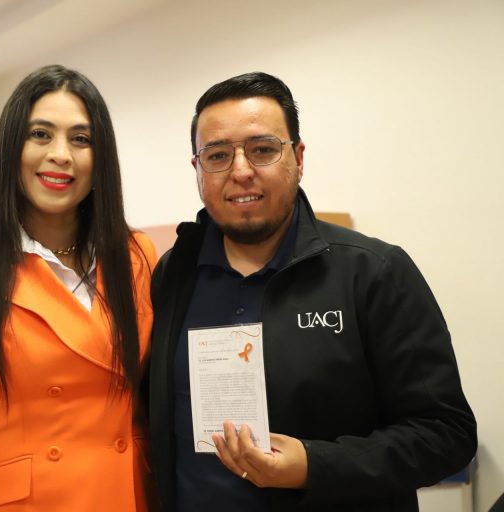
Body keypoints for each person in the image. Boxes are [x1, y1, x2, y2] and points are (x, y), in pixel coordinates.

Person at [147, 71, 476, 511]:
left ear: (298, 158)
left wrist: (314, 465)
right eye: (218, 155)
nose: (240, 171)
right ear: (198, 169)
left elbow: (447, 434)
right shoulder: (173, 273)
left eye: (262, 150)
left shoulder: (372, 272)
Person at [0, 64, 157, 511]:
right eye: (40, 134)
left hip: (129, 495)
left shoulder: (136, 255)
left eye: (81, 139)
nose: (61, 154)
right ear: (11, 147)